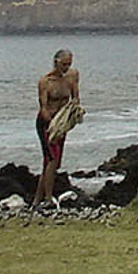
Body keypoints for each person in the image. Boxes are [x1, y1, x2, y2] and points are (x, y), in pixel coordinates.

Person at [34, 49, 82, 203]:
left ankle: (37, 200)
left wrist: (73, 112)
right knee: (51, 158)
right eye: (64, 64)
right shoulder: (45, 82)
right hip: (47, 124)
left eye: (69, 64)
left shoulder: (72, 76)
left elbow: (75, 98)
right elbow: (44, 107)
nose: (66, 67)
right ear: (56, 62)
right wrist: (51, 122)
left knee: (52, 162)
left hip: (62, 122)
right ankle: (48, 198)